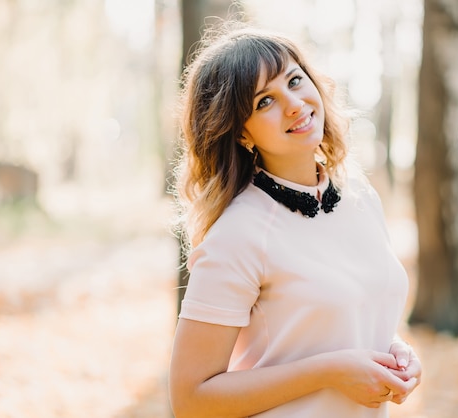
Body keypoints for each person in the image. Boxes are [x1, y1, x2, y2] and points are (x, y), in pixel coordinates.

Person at [169, 23, 421, 418]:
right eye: (264, 101)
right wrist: (330, 372)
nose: (293, 103)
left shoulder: (360, 197)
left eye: (294, 80)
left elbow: (338, 318)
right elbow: (191, 398)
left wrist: (394, 349)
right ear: (240, 133)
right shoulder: (238, 234)